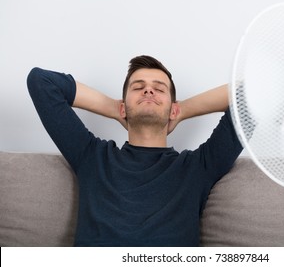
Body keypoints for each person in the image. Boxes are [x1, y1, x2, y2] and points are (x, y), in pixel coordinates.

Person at [27, 55, 243, 246]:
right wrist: (115, 108)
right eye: (138, 87)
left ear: (173, 109)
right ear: (123, 107)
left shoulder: (198, 167)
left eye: (159, 89)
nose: (149, 90)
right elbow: (41, 81)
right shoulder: (92, 157)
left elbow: (256, 93)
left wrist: (182, 110)